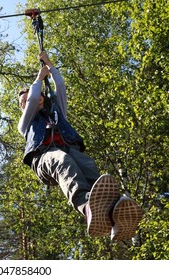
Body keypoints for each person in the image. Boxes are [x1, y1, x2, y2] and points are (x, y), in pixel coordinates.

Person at [17, 51, 143, 240]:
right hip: (44, 158)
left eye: (35, 95)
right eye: (24, 101)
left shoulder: (58, 112)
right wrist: (38, 78)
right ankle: (87, 207)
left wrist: (50, 65)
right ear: (23, 108)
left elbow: (60, 85)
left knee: (88, 166)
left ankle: (115, 217)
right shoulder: (25, 123)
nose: (32, 99)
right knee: (62, 161)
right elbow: (32, 100)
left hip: (69, 149)